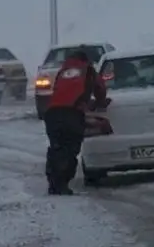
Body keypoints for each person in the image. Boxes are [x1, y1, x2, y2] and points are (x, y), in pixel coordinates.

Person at [43, 50, 108, 195]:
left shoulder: (63, 71)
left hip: (52, 113)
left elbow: (64, 92)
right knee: (69, 149)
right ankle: (62, 184)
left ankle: (53, 182)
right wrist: (100, 103)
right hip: (71, 114)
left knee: (56, 147)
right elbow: (99, 88)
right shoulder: (88, 70)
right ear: (86, 60)